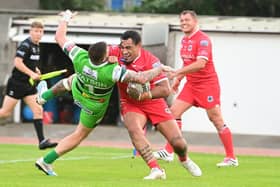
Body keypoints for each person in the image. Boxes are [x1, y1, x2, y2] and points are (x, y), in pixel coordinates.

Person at [35, 10, 173, 176]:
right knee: (79, 135)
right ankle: (46, 161)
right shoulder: (112, 71)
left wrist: (65, 19)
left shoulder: (80, 56)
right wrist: (159, 69)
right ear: (104, 57)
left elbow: (59, 37)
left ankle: (43, 97)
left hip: (79, 91)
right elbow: (141, 78)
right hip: (94, 106)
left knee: (71, 80)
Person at [107, 30, 202, 179]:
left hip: (153, 101)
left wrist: (144, 95)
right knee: (134, 130)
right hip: (131, 103)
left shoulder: (151, 61)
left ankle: (184, 160)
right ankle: (156, 169)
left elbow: (165, 90)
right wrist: (105, 58)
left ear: (139, 46)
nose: (124, 51)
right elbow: (97, 53)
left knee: (178, 144)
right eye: (122, 47)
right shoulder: (115, 51)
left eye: (128, 48)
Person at [153, 10, 238, 167]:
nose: (183, 23)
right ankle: (169, 151)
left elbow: (200, 63)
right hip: (191, 85)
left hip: (207, 86)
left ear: (195, 22)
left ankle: (231, 157)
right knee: (173, 113)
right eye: (181, 20)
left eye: (187, 20)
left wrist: (177, 72)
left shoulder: (203, 40)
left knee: (216, 119)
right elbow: (187, 63)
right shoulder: (185, 40)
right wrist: (178, 80)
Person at [0, 21, 57, 150]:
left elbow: (30, 63)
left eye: (40, 31)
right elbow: (17, 63)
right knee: (4, 113)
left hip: (28, 86)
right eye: (35, 31)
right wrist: (31, 73)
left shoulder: (37, 46)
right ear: (30, 31)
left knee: (38, 110)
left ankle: (42, 141)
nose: (38, 34)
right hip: (17, 84)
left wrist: (36, 71)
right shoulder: (25, 45)